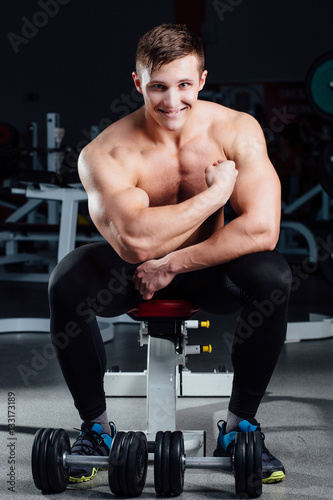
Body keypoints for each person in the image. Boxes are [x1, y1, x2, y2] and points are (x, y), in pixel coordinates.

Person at [49, 24, 291, 485]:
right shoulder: (107, 151)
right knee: (68, 279)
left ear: (202, 79)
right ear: (138, 82)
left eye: (184, 85)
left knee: (272, 275)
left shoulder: (236, 128)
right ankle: (96, 430)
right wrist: (216, 195)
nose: (172, 100)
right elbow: (136, 243)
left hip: (208, 270)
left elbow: (263, 227)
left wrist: (173, 263)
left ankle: (241, 427)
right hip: (133, 271)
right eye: (158, 87)